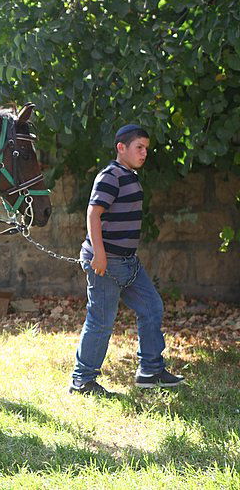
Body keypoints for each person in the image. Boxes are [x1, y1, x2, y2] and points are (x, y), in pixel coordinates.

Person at [69, 124, 184, 397]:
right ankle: (82, 381)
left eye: (146, 148)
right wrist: (99, 253)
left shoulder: (130, 175)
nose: (144, 153)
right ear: (121, 148)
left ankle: (150, 371)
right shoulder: (111, 176)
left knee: (152, 307)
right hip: (106, 264)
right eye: (139, 148)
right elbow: (93, 214)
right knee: (101, 321)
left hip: (129, 263)